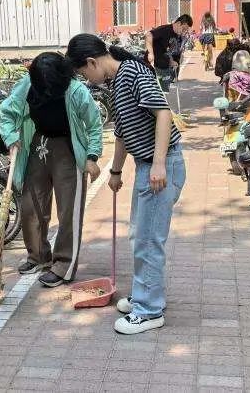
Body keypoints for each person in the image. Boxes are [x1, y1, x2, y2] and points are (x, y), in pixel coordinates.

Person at [66, 34, 185, 335]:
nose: (87, 80)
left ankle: (149, 311)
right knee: (139, 236)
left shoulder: (132, 73)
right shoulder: (117, 81)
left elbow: (163, 112)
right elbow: (121, 131)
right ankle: (145, 296)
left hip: (160, 166)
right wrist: (116, 171)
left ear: (92, 62)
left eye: (84, 73)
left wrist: (158, 163)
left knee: (148, 241)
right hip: (147, 167)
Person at [0, 52, 103, 287]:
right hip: (38, 143)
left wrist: (92, 156)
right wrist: (10, 136)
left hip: (67, 148)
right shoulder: (28, 84)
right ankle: (38, 256)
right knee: (30, 205)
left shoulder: (76, 91)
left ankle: (63, 265)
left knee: (68, 210)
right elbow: (7, 111)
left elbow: (94, 125)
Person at [144, 14, 193, 92]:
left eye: (185, 30)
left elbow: (171, 52)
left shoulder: (178, 37)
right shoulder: (165, 29)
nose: (184, 31)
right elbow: (148, 35)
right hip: (152, 65)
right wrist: (150, 53)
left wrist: (173, 62)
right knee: (151, 91)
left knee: (162, 92)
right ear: (179, 23)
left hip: (164, 68)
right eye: (183, 29)